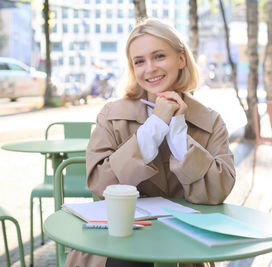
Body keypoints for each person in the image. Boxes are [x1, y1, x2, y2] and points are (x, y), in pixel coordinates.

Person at [65, 18, 236, 267]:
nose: (150, 69)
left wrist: (177, 132)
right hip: (116, 245)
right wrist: (155, 126)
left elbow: (218, 190)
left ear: (181, 59)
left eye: (159, 56)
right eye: (139, 62)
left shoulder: (210, 121)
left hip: (184, 248)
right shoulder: (111, 116)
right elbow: (101, 184)